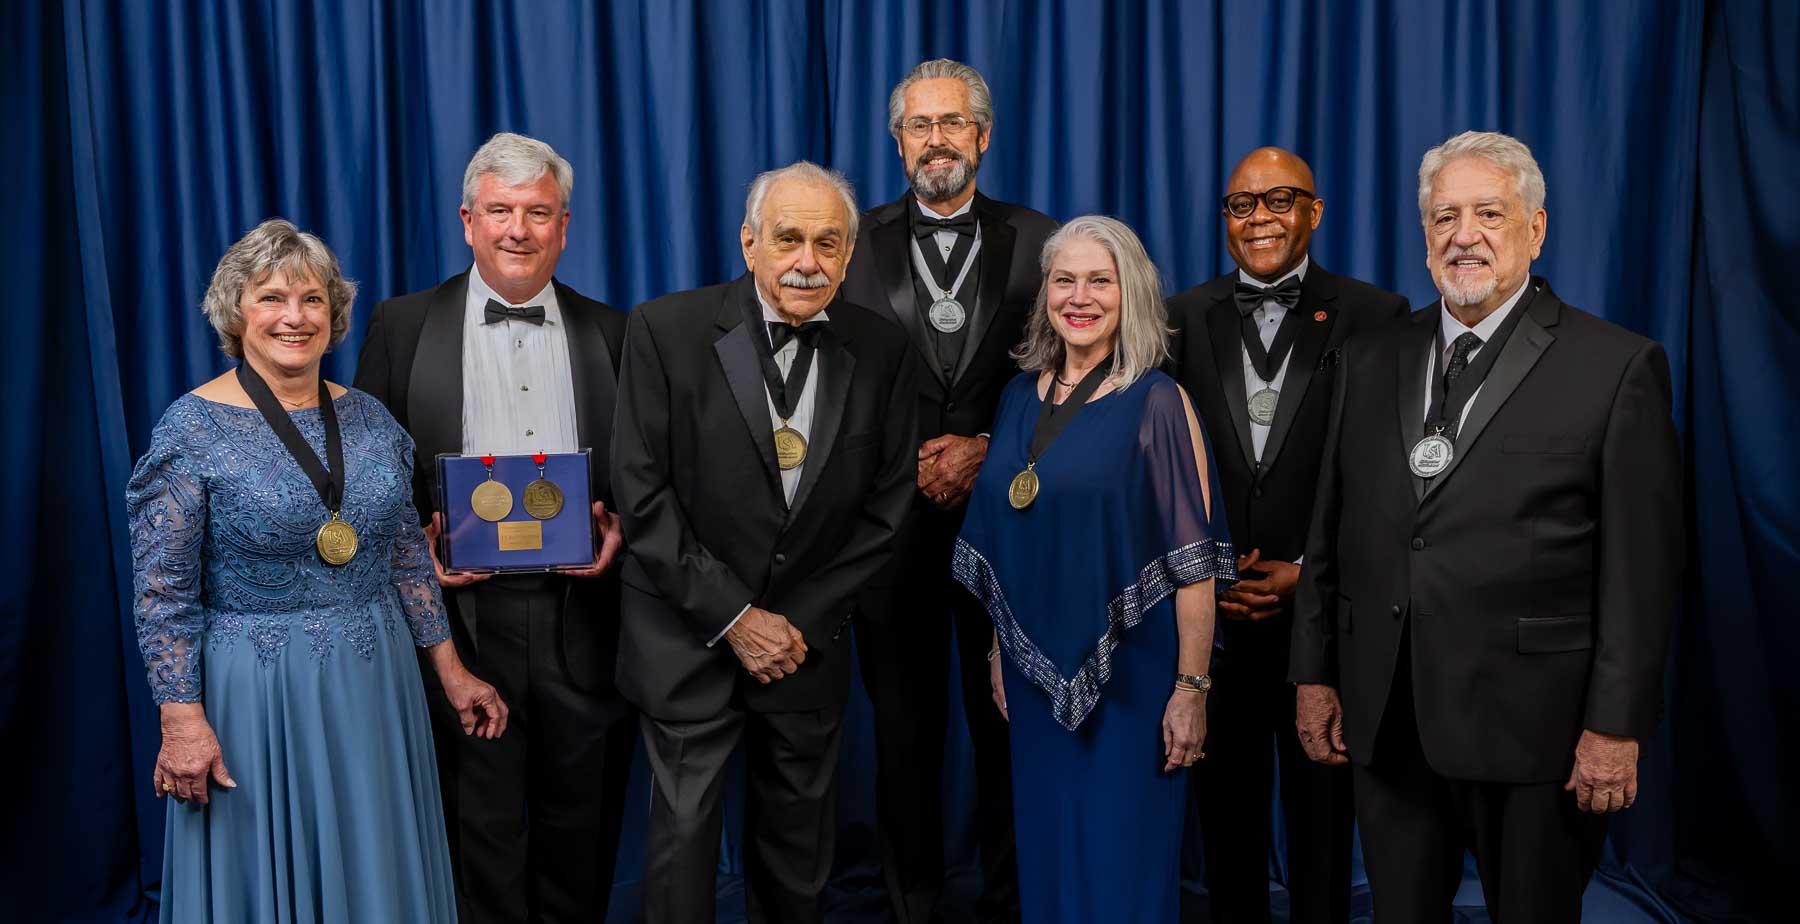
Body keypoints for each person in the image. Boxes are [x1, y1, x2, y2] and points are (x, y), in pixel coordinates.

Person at [1290, 131, 1682, 922]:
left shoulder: (1616, 366)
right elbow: (1330, 530)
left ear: (1535, 231)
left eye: (1488, 215)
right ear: (1425, 236)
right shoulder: (1370, 359)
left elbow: (1642, 574)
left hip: (1536, 727)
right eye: (1444, 218)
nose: (1463, 236)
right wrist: (1315, 671)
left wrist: (1615, 725)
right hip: (1388, 715)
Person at [128, 218, 507, 921]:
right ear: (236, 312)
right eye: (272, 298)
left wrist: (453, 672)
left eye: (311, 301)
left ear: (334, 317)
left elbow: (403, 555)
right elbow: (162, 593)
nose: (294, 318)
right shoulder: (189, 430)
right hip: (256, 692)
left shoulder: (370, 419)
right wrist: (181, 721)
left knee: (376, 869)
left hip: (376, 682)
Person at [611, 161, 917, 924]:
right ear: (749, 244)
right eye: (787, 239)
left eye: (827, 242)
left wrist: (796, 624)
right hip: (689, 639)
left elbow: (887, 509)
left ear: (849, 256)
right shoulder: (664, 330)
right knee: (681, 861)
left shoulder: (884, 350)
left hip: (804, 649)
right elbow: (643, 496)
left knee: (797, 858)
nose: (806, 261)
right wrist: (735, 618)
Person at [353, 132, 632, 924]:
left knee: (581, 831)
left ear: (565, 226)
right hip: (460, 625)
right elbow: (373, 481)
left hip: (585, 616)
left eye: (537, 212)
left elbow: (647, 477)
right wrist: (416, 558)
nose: (519, 229)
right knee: (476, 832)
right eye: (501, 211)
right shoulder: (401, 326)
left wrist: (623, 535)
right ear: (467, 221)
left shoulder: (617, 332)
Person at [952, 215, 1235, 923]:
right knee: (1046, 857)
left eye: (1100, 281)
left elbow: (1192, 565)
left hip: (1134, 681)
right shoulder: (1019, 395)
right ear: (1046, 291)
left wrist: (1192, 687)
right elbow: (1003, 540)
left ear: (1130, 293)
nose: (1080, 297)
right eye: (1065, 279)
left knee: (1119, 867)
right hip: (1030, 674)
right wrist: (998, 647)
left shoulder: (1157, 403)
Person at [838, 58, 1056, 923]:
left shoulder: (1044, 242)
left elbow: (1074, 378)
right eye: (920, 126)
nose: (938, 140)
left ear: (983, 136)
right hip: (889, 537)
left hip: (1009, 523)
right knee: (903, 737)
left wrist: (984, 448)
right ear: (898, 142)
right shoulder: (848, 241)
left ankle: (1011, 903)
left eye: (953, 123)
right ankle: (912, 906)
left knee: (1013, 729)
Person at [1166, 147, 1408, 924]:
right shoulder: (1177, 317)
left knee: (1323, 821)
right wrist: (1204, 570)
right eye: (1242, 204)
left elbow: (1388, 474)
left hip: (1325, 619)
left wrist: (1308, 572)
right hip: (1216, 621)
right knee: (1225, 818)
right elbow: (1156, 462)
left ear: (1315, 211)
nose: (1259, 217)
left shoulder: (1378, 315)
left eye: (1279, 200)